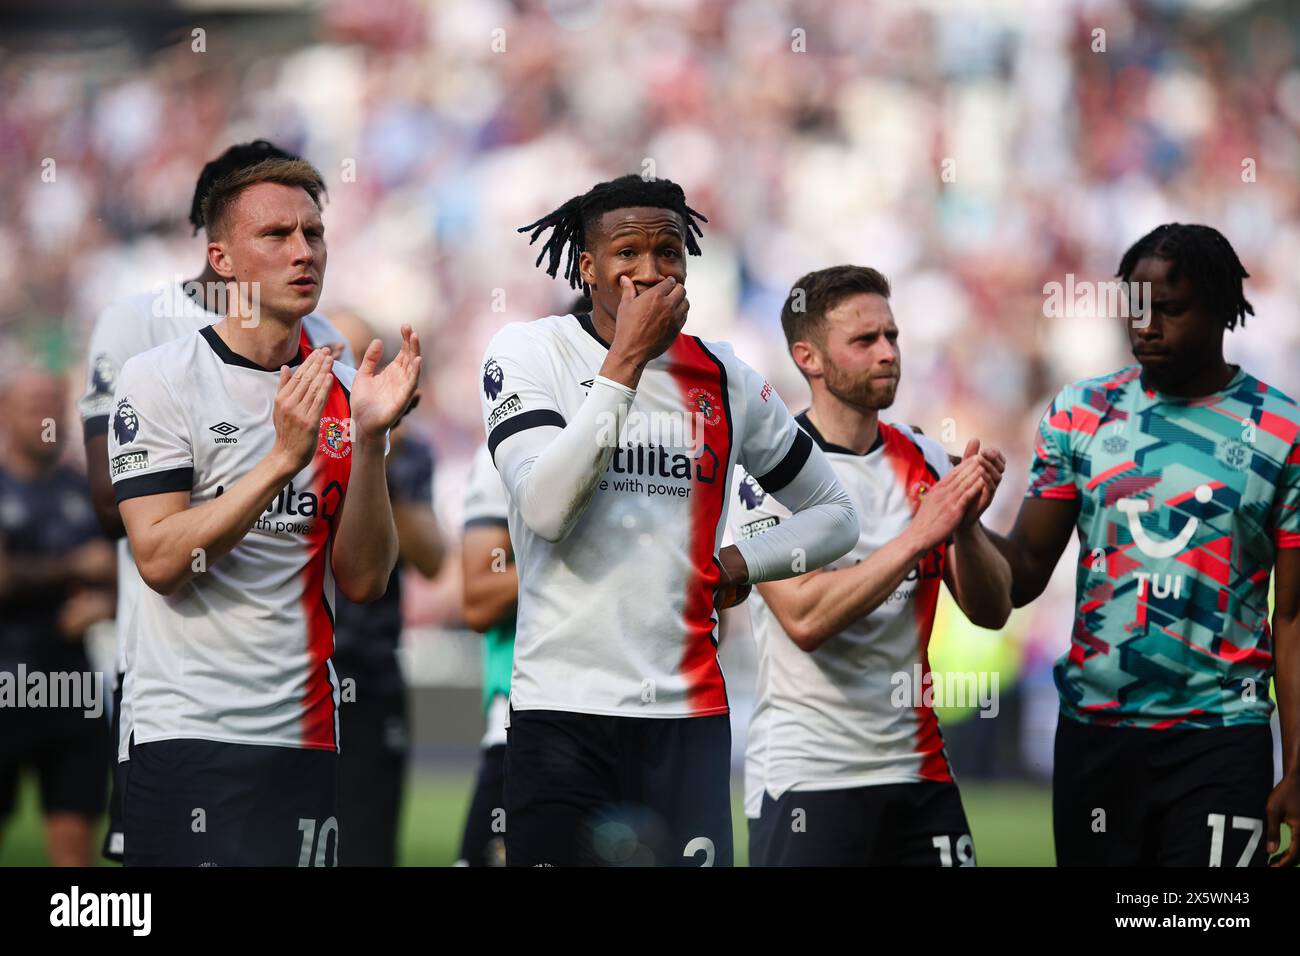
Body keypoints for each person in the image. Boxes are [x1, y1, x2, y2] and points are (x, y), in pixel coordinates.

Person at [482, 174, 857, 866]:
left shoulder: (727, 377)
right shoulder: (530, 354)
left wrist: (744, 561)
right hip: (563, 715)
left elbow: (835, 516)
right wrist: (626, 360)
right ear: (587, 268)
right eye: (627, 254)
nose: (651, 272)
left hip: (687, 719)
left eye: (670, 253)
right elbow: (545, 510)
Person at [109, 156, 420, 866]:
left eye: (314, 232)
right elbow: (160, 559)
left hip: (307, 736)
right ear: (219, 259)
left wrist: (371, 443)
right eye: (276, 234)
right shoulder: (161, 378)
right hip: (188, 732)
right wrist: (281, 458)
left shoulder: (349, 390)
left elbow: (365, 580)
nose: (304, 251)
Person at [989, 224, 1300, 866]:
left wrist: (1297, 765)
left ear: (1220, 310)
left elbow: (1293, 616)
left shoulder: (1281, 432)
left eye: (1170, 309)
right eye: (1135, 308)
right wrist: (960, 520)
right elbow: (1021, 576)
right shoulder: (1080, 413)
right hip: (1095, 738)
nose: (1146, 326)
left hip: (1220, 737)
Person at [731, 265, 1011, 866]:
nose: (888, 353)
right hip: (810, 779)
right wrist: (921, 534)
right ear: (808, 358)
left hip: (921, 775)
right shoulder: (767, 475)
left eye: (892, 336)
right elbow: (805, 619)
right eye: (864, 341)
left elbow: (991, 610)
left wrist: (963, 524)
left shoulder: (928, 459)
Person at [329, 309, 443, 867]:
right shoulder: (296, 432)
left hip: (370, 664)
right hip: (296, 664)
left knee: (368, 842)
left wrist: (376, 447)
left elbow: (432, 558)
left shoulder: (408, 449)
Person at [0, 369, 116, 865]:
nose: (45, 415)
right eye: (32, 405)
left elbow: (126, 577)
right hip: (6, 680)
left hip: (72, 686)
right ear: (5, 412)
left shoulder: (86, 490)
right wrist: (73, 565)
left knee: (74, 852)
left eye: (53, 403)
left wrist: (107, 604)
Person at [458, 442, 517, 867]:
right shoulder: (505, 446)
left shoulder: (667, 435)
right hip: (525, 722)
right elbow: (479, 599)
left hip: (653, 723)